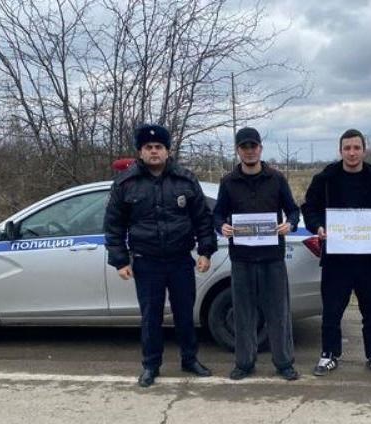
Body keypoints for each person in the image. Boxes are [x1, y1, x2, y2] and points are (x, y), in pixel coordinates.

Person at [104, 123, 217, 387]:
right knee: (151, 317)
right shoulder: (126, 183)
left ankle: (190, 359)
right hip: (147, 261)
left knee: (185, 314)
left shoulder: (185, 180)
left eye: (159, 147)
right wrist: (120, 260)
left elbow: (202, 219)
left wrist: (205, 251)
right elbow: (114, 225)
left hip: (180, 260)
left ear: (167, 151)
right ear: (140, 152)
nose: (154, 151)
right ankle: (151, 365)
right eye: (148, 147)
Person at [301, 128, 371, 377]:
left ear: (364, 150)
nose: (352, 153)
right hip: (336, 259)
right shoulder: (325, 178)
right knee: (332, 311)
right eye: (347, 148)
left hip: (369, 258)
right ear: (340, 150)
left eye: (356, 148)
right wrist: (318, 226)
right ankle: (329, 354)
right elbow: (309, 208)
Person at [213, 127, 301, 381]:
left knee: (278, 313)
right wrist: (221, 226)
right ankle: (244, 363)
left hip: (272, 258)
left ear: (260, 148)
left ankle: (284, 363)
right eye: (244, 147)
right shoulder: (228, 182)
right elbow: (217, 214)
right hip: (242, 259)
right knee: (243, 314)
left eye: (253, 146)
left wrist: (290, 224)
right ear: (238, 150)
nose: (249, 151)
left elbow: (293, 210)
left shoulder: (277, 179)